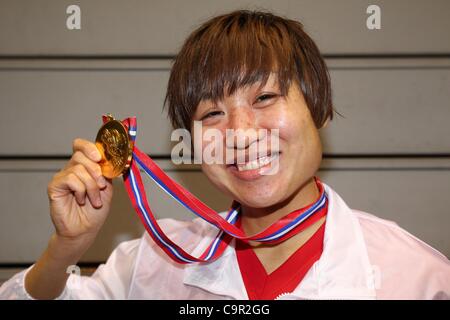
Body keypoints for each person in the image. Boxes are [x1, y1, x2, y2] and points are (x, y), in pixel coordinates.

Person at [1, 10, 449, 300]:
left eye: (265, 98)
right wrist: (66, 249)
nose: (240, 132)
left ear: (320, 109)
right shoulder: (155, 263)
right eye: (212, 112)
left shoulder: (417, 278)